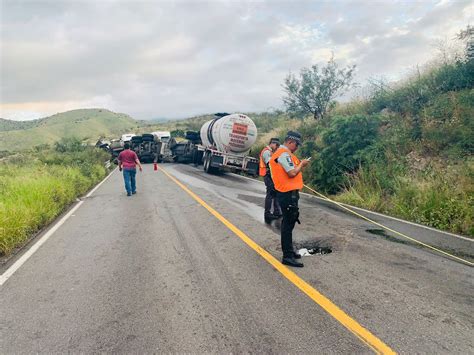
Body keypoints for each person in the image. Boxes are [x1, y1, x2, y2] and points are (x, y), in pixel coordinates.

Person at [269, 131, 310, 267]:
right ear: (290, 142)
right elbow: (292, 173)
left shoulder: (285, 154)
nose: (297, 147)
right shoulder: (283, 154)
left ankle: (290, 251)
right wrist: (302, 165)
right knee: (287, 224)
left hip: (289, 193)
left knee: (290, 222)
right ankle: (287, 256)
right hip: (286, 194)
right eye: (297, 144)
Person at [259, 138, 282, 223]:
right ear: (272, 144)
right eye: (276, 145)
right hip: (267, 175)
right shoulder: (266, 152)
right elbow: (270, 163)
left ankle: (277, 212)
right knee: (270, 194)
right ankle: (267, 213)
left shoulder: (271, 152)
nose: (277, 147)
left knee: (275, 193)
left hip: (272, 176)